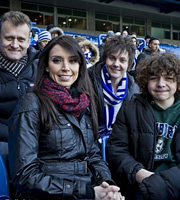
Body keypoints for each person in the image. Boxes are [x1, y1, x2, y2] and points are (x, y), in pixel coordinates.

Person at [8, 35, 124, 200]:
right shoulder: (31, 104)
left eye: (72, 61)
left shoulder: (83, 102)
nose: (66, 68)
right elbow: (25, 175)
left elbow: (93, 156)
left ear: (80, 65)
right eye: (57, 60)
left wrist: (106, 185)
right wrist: (87, 192)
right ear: (46, 66)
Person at [106, 53, 180, 200]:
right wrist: (139, 173)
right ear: (145, 81)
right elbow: (116, 150)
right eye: (154, 78)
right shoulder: (130, 108)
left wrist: (160, 184)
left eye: (169, 79)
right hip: (138, 185)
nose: (160, 84)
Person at [0, 11, 39, 165]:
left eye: (21, 39)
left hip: (37, 142)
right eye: (9, 38)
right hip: (3, 143)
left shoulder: (42, 67)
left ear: (29, 40)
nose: (15, 45)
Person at [88, 36, 139, 140]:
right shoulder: (88, 79)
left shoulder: (133, 88)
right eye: (112, 58)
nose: (116, 64)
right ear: (105, 58)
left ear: (128, 63)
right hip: (90, 141)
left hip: (116, 142)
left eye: (122, 60)